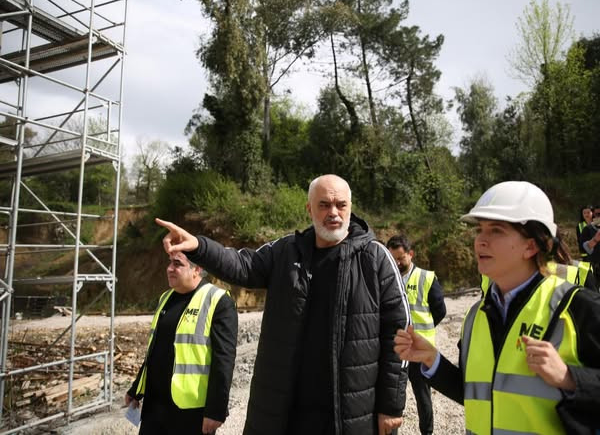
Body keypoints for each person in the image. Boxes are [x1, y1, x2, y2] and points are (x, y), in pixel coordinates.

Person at [155, 174, 410, 435]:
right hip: (284, 411)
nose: (333, 212)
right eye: (324, 205)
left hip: (348, 414)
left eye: (340, 205)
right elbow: (243, 265)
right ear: (309, 208)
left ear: (350, 208)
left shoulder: (375, 257)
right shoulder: (287, 250)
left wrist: (391, 405)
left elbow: (399, 331)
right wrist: (199, 247)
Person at [394, 181, 600, 434]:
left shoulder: (577, 308)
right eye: (480, 229)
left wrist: (570, 379)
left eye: (496, 231)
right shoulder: (475, 317)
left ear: (531, 245)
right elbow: (479, 395)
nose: (480, 240)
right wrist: (432, 359)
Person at [126, 252, 238, 435]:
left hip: (191, 412)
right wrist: (136, 389)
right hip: (155, 407)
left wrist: (216, 410)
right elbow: (155, 350)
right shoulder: (165, 298)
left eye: (177, 264)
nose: (169, 268)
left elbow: (224, 360)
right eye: (170, 262)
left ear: (197, 269)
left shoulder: (218, 301)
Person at [386, 235, 446, 435]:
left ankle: (427, 432)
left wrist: (422, 332)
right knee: (393, 396)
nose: (396, 263)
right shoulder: (387, 278)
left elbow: (440, 310)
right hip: (396, 350)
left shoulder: (426, 278)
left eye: (400, 258)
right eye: (392, 258)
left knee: (422, 396)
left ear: (410, 254)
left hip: (419, 350)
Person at [581, 206, 600, 276]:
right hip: (595, 267)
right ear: (593, 215)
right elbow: (585, 248)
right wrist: (595, 240)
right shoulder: (587, 229)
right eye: (597, 214)